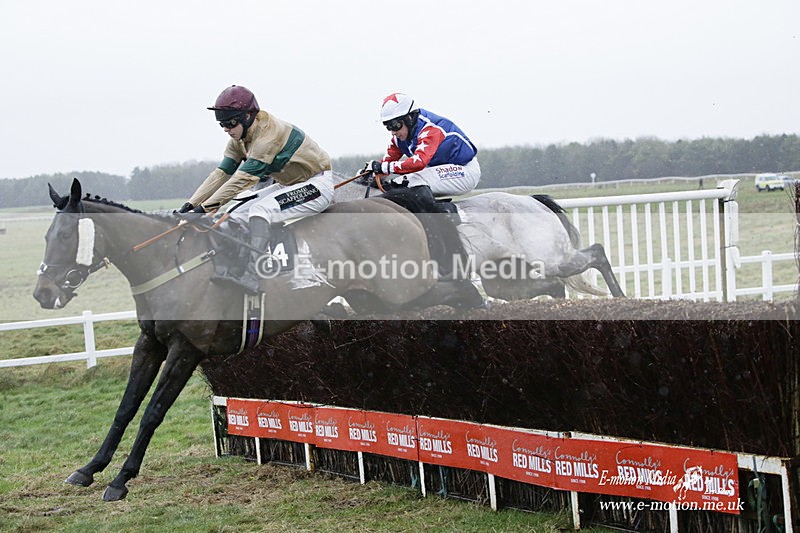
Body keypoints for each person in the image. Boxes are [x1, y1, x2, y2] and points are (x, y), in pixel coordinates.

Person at [179, 85, 333, 294]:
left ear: (247, 117)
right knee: (233, 212)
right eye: (222, 124)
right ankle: (238, 265)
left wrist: (204, 210)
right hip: (290, 184)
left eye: (230, 123)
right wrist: (190, 205)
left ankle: (253, 273)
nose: (226, 129)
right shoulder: (238, 139)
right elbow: (221, 174)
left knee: (260, 211)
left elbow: (242, 179)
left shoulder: (268, 135)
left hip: (316, 184)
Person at [364, 92, 480, 197]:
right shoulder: (399, 137)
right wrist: (370, 173)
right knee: (399, 183)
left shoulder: (430, 129)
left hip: (465, 170)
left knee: (412, 182)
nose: (393, 132)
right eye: (388, 126)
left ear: (409, 118)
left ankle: (445, 217)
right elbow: (385, 165)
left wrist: (383, 167)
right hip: (442, 170)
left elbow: (419, 163)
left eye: (395, 125)